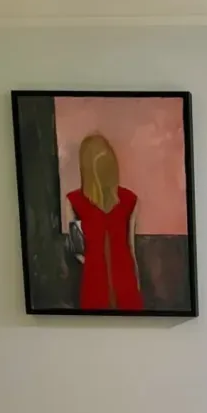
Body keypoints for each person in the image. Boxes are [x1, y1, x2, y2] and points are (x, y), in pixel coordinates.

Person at [65, 133, 144, 311]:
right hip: (121, 281)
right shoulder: (130, 200)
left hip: (97, 281)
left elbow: (78, 252)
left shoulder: (74, 201)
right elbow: (131, 249)